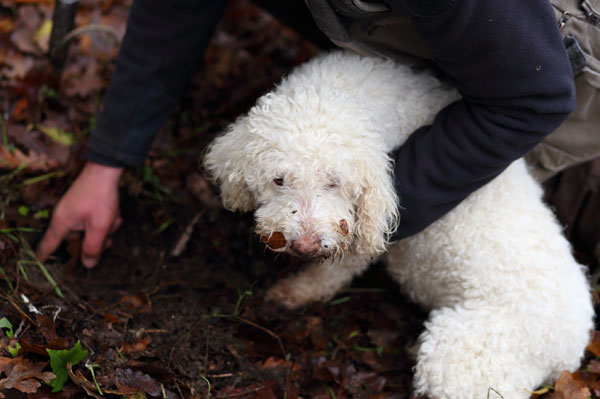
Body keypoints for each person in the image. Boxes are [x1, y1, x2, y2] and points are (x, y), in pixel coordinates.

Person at [37, 0, 578, 268]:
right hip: (418, 37)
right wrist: (107, 160)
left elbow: (536, 97)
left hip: (561, 84)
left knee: (511, 222)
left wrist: (371, 219)